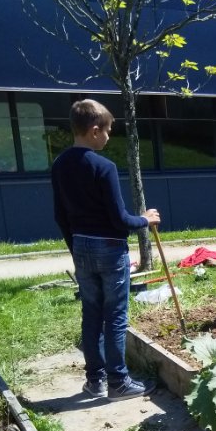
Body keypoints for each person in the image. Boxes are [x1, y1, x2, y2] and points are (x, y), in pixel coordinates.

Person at [51, 99, 160, 401]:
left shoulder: (60, 165)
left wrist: (76, 248)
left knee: (91, 313)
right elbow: (119, 219)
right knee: (115, 315)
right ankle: (119, 382)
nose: (110, 136)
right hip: (110, 249)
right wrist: (145, 219)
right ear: (95, 130)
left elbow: (60, 215)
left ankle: (95, 381)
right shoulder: (104, 167)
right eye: (109, 130)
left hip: (80, 244)